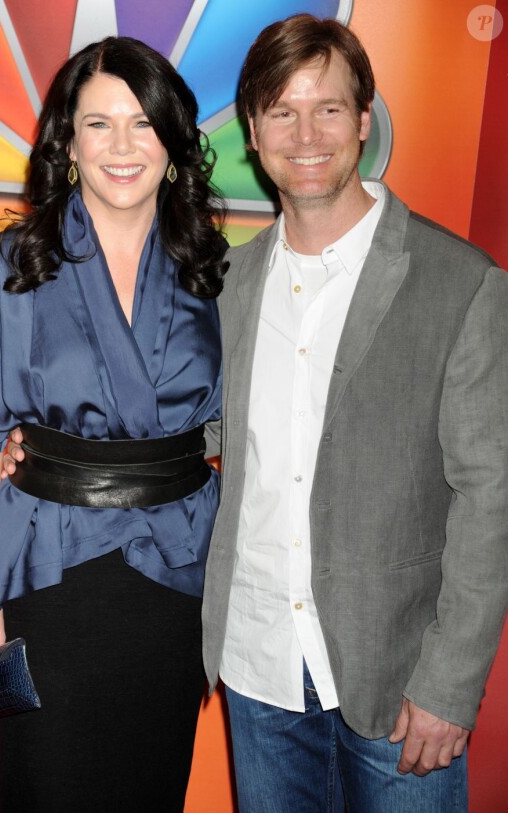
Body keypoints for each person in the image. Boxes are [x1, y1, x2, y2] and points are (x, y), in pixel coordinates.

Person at [197, 14, 506, 813]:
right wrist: (47, 443)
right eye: (282, 112)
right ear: (255, 132)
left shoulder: (461, 281)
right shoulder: (224, 285)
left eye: (328, 108)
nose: (306, 134)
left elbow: (491, 494)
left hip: (401, 684)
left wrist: (450, 682)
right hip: (257, 669)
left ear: (365, 121)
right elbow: (191, 431)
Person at [0, 36, 227, 812]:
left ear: (173, 139)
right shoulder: (12, 265)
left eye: (142, 123)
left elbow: (242, 415)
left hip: (178, 581)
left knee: (154, 784)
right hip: (50, 574)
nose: (122, 147)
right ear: (67, 141)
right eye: (99, 124)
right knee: (46, 788)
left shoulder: (214, 267)